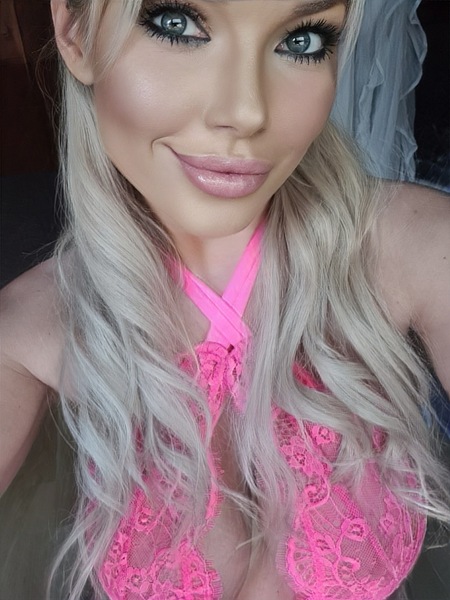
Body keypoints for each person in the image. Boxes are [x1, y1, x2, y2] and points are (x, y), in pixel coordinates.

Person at [0, 0, 449, 599]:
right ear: (76, 31)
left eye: (302, 40)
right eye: (177, 24)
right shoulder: (29, 328)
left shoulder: (420, 248)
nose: (247, 112)